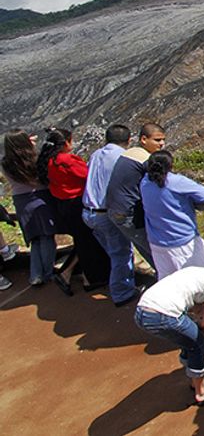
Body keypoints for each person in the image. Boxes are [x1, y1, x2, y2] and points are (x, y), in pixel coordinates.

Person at [134, 254, 204, 405]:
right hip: (163, 314)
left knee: (187, 340)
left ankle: (195, 379)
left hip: (142, 311)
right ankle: (202, 392)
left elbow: (196, 306)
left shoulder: (199, 271)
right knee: (197, 344)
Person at [38, 127, 111, 294]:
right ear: (65, 143)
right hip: (76, 204)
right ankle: (88, 278)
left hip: (62, 205)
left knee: (82, 240)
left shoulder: (49, 160)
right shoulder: (68, 161)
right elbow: (88, 175)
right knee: (87, 241)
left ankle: (70, 273)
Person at [82, 123, 141, 306]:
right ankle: (122, 293)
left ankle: (120, 281)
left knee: (111, 250)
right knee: (121, 254)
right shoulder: (122, 158)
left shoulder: (95, 154)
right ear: (129, 140)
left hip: (88, 212)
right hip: (104, 213)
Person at [140, 150, 204, 277]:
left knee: (167, 280)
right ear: (171, 165)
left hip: (157, 241)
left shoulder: (145, 182)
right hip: (182, 241)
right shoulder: (176, 181)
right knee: (200, 278)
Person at [105, 123, 165, 272]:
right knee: (160, 254)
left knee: (146, 250)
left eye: (163, 140)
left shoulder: (130, 152)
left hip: (116, 211)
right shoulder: (144, 159)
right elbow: (164, 182)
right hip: (128, 214)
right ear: (144, 139)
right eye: (157, 140)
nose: (162, 144)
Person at [2, 129, 58, 286]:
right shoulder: (34, 159)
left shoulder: (6, 164)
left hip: (21, 202)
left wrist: (25, 144)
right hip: (40, 199)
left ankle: (35, 275)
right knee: (46, 237)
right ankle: (47, 273)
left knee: (35, 239)